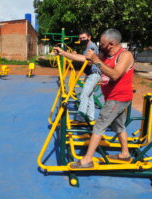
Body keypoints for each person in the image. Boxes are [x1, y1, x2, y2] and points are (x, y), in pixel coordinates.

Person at [54, 29, 134, 168]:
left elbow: (115, 75)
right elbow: (83, 58)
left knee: (99, 126)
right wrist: (63, 53)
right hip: (112, 97)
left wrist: (97, 61)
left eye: (102, 43)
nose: (99, 45)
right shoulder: (106, 54)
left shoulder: (125, 55)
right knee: (119, 126)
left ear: (111, 43)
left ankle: (87, 161)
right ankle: (125, 154)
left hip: (118, 98)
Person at [73, 29, 101, 122]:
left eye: (84, 38)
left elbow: (88, 61)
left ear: (89, 37)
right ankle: (90, 117)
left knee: (84, 96)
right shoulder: (86, 47)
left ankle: (80, 117)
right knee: (90, 97)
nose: (82, 40)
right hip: (90, 74)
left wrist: (75, 57)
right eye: (80, 38)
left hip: (94, 74)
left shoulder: (91, 47)